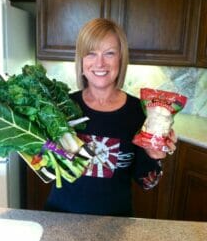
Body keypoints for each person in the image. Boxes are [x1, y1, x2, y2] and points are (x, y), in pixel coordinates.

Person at [45, 18, 177, 217]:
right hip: (61, 216)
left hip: (115, 222)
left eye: (109, 53)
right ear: (81, 60)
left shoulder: (139, 112)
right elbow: (46, 167)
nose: (100, 63)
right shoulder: (61, 107)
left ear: (120, 59)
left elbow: (147, 183)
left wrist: (155, 158)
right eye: (91, 53)